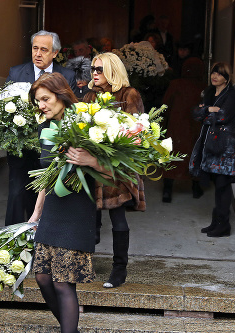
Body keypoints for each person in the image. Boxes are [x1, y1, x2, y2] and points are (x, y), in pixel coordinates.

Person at [27, 72, 107, 333]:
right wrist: (35, 214)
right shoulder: (47, 129)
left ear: (61, 95)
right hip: (52, 210)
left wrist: (92, 161)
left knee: (63, 283)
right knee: (42, 277)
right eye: (38, 101)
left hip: (76, 211)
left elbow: (118, 174)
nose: (42, 106)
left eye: (45, 99)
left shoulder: (88, 124)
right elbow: (47, 177)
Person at [83, 52, 146, 288]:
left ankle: (119, 269)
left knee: (118, 219)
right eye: (93, 69)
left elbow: (136, 131)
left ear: (112, 71)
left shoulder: (128, 94)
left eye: (99, 69)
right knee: (88, 218)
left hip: (116, 168)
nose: (94, 73)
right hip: (91, 166)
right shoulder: (90, 95)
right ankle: (85, 264)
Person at [5, 30, 78, 226]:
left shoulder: (67, 75)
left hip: (53, 148)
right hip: (23, 149)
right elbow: (4, 110)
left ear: (55, 53)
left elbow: (71, 111)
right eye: (35, 48)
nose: (38, 53)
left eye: (44, 49)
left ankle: (42, 238)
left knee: (49, 196)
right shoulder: (16, 72)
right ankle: (12, 241)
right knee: (16, 194)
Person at [189, 62, 235, 237]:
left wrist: (206, 113)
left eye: (219, 74)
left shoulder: (232, 94)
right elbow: (196, 113)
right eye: (213, 72)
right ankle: (216, 221)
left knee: (223, 185)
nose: (215, 76)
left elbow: (224, 116)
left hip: (224, 146)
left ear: (226, 78)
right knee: (216, 185)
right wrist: (209, 109)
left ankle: (223, 224)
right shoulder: (209, 93)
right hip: (209, 144)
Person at [161, 57, 207, 203]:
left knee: (172, 155)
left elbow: (165, 105)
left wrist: (164, 124)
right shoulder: (203, 87)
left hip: (176, 126)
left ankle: (167, 190)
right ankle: (196, 187)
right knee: (195, 154)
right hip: (195, 126)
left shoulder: (175, 85)